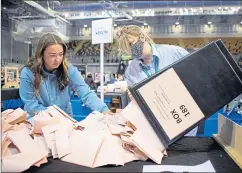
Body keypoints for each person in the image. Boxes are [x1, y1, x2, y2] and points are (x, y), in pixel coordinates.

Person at [116, 25, 198, 136]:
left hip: (185, 121)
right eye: (128, 49)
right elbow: (137, 105)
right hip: (156, 129)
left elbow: (197, 77)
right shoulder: (131, 72)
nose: (132, 51)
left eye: (132, 44)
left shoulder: (174, 53)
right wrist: (135, 99)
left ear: (142, 37)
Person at [20, 33, 111, 117]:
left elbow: (86, 93)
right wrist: (53, 117)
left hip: (65, 119)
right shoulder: (28, 72)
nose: (58, 59)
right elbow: (31, 103)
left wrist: (104, 110)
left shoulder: (68, 69)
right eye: (52, 55)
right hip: (39, 119)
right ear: (41, 54)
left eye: (61, 54)